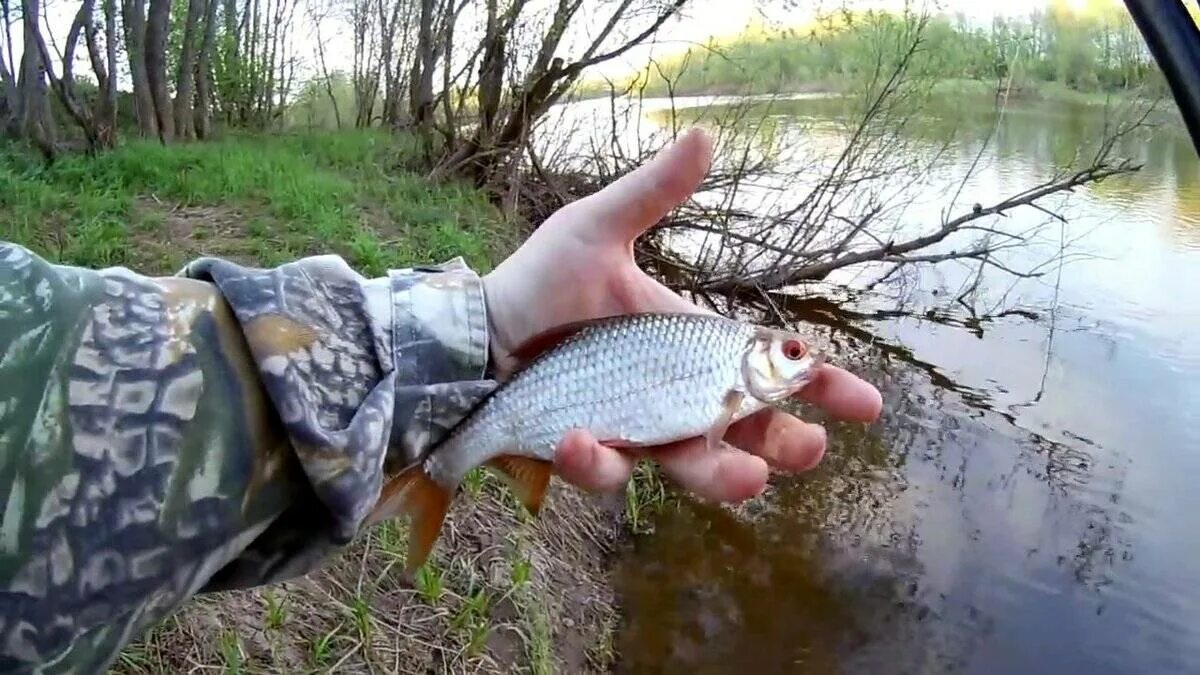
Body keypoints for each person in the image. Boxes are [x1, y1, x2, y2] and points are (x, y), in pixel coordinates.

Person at [0, 128, 881, 672]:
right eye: (790, 353)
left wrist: (488, 322)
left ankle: (442, 469)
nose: (798, 364)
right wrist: (487, 330)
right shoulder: (724, 369)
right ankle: (439, 472)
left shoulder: (722, 366)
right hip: (534, 387)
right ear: (754, 357)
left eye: (795, 355)